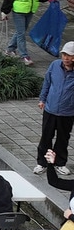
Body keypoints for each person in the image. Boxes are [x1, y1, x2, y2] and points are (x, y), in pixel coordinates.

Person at [37, 41, 74, 175]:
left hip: (67, 112)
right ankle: (42, 163)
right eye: (64, 55)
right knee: (46, 137)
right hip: (50, 109)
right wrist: (42, 99)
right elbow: (47, 82)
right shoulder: (54, 65)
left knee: (63, 138)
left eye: (69, 55)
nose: (66, 58)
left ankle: (60, 163)